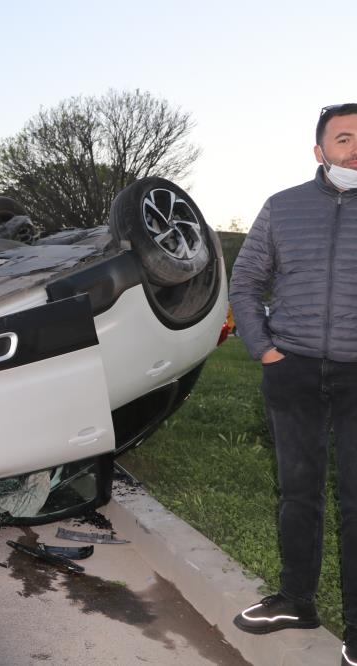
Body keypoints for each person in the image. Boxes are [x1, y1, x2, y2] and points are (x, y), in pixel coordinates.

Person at [229, 103, 357, 665]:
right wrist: (266, 350)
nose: (355, 149)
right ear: (320, 150)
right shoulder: (282, 208)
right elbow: (246, 282)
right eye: (345, 138)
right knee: (299, 494)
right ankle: (296, 602)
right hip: (295, 368)